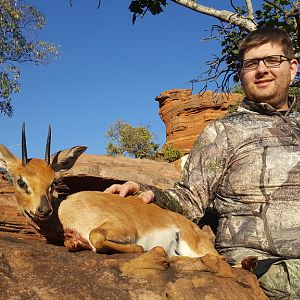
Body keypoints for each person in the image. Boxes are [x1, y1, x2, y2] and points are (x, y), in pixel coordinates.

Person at [105, 26, 300, 300]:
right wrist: (146, 192)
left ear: (292, 68)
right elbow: (190, 199)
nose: (262, 69)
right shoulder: (223, 132)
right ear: (242, 74)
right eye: (252, 63)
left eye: (272, 60)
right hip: (265, 265)